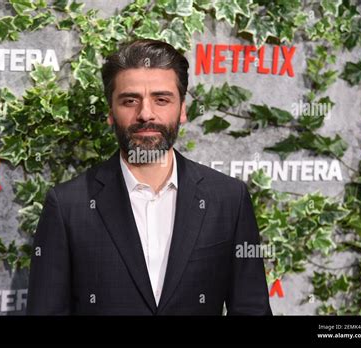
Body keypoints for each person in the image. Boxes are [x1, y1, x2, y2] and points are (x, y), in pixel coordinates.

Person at [26, 39, 272, 315]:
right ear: (110, 112)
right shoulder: (68, 205)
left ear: (182, 110)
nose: (145, 114)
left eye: (161, 99)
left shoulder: (228, 198)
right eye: (130, 100)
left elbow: (252, 309)